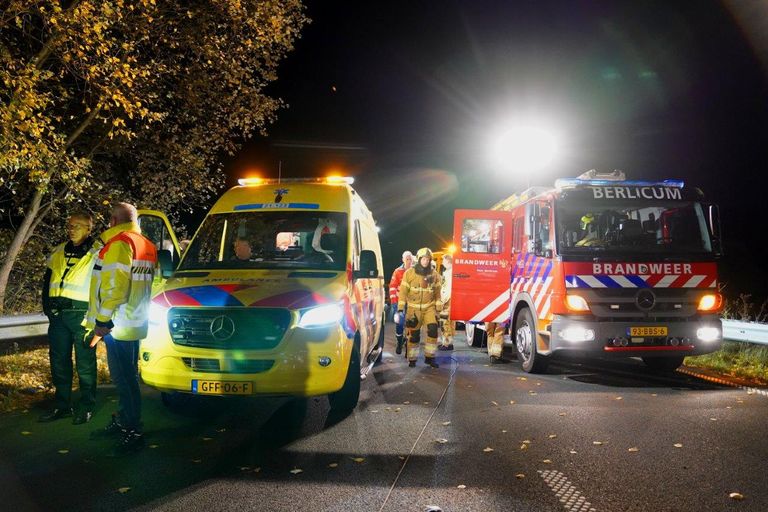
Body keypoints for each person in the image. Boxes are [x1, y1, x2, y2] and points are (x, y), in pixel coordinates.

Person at [85, 203, 157, 456]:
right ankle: (125, 419)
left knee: (124, 380)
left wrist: (102, 321)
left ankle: (132, 430)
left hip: (117, 324)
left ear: (114, 220)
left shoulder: (119, 244)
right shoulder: (146, 245)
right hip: (135, 322)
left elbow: (115, 289)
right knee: (128, 377)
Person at [39, 212, 101, 424]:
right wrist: (48, 309)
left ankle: (86, 407)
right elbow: (47, 283)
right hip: (58, 316)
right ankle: (62, 406)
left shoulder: (98, 253)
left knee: (84, 363)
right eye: (70, 225)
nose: (72, 229)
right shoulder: (58, 251)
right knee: (58, 362)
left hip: (82, 316)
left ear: (89, 229)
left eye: (78, 226)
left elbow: (102, 285)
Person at [397, 247, 441, 368]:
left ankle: (430, 357)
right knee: (414, 335)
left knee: (433, 330)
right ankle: (412, 359)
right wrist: (400, 308)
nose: (426, 261)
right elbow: (403, 292)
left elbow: (437, 292)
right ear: (419, 259)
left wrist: (438, 307)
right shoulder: (409, 273)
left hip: (429, 308)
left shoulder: (434, 274)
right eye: (424, 259)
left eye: (428, 259)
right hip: (413, 310)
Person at [389, 250, 413, 354]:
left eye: (410, 259)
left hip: (412, 302)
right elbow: (392, 287)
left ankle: (410, 343)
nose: (409, 261)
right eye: (407, 259)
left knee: (411, 324)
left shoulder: (415, 271)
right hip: (400, 302)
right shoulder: (397, 271)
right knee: (399, 322)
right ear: (403, 260)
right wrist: (394, 302)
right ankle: (399, 342)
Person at [437, 253, 454, 351]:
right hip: (449, 300)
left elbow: (447, 289)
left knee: (445, 322)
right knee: (450, 323)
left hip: (447, 301)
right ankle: (449, 343)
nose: (442, 263)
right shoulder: (450, 272)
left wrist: (443, 301)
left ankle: (446, 344)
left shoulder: (449, 273)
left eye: (443, 261)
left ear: (448, 261)